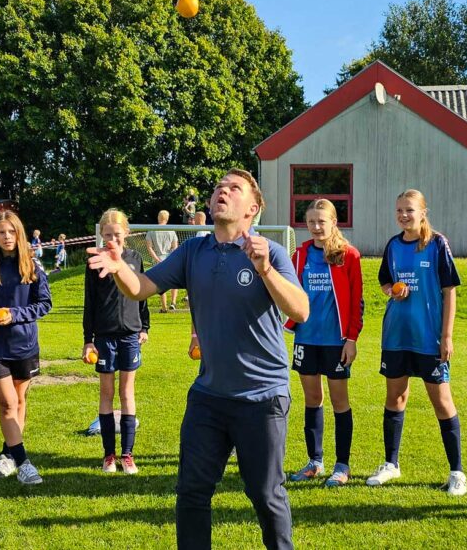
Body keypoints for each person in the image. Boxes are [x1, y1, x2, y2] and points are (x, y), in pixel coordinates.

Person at [88, 168, 309, 550]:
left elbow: (301, 311)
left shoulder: (268, 252)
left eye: (233, 188)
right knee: (191, 492)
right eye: (218, 187)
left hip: (263, 397)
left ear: (252, 208)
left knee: (265, 495)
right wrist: (121, 267)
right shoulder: (194, 251)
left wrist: (266, 271)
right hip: (209, 397)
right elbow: (142, 289)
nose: (222, 191)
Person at [369, 189, 466, 496]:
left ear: (424, 212)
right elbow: (385, 280)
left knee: (441, 401)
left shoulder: (437, 244)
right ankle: (391, 464)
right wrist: (392, 291)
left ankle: (457, 472)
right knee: (395, 397)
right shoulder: (393, 245)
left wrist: (447, 336)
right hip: (396, 334)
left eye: (409, 210)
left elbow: (450, 290)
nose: (403, 215)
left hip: (429, 338)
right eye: (399, 210)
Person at [0, 211, 52, 485]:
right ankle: (24, 463)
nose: (7, 237)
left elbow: (45, 304)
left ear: (20, 234)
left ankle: (7, 456)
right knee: (7, 403)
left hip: (24, 343)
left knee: (20, 401)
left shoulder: (32, 266)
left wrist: (15, 314)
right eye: (1, 232)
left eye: (11, 232)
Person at [285, 199, 363, 488]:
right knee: (312, 399)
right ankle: (314, 462)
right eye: (311, 222)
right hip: (307, 338)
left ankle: (342, 465)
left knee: (339, 401)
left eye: (322, 221)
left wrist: (351, 339)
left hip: (335, 341)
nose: (316, 227)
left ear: (334, 222)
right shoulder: (300, 254)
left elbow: (357, 302)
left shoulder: (348, 256)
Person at [82, 209, 150, 474]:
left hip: (130, 335)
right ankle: (109, 455)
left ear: (127, 234)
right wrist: (89, 340)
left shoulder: (135, 259)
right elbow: (90, 303)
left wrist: (144, 326)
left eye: (117, 235)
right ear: (101, 235)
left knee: (127, 392)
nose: (112, 239)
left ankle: (127, 455)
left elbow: (142, 294)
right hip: (104, 336)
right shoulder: (95, 261)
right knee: (107, 393)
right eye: (107, 235)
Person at [145, 210, 179, 312]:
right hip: (169, 258)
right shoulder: (171, 231)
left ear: (158, 217)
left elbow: (149, 247)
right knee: (175, 281)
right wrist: (171, 257)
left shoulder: (152, 230)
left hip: (158, 258)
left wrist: (156, 258)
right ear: (167, 218)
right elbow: (175, 247)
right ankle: (173, 302)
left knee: (161, 283)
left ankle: (164, 307)